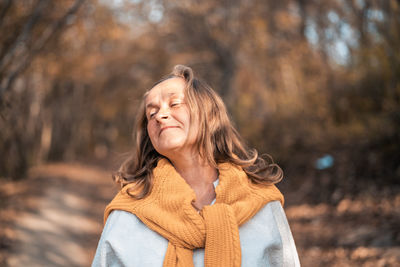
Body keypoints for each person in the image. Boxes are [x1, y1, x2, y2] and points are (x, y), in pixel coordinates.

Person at [92, 65, 300, 267]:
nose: (160, 116)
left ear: (208, 114)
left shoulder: (261, 202)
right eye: (151, 113)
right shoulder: (129, 210)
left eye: (174, 104)